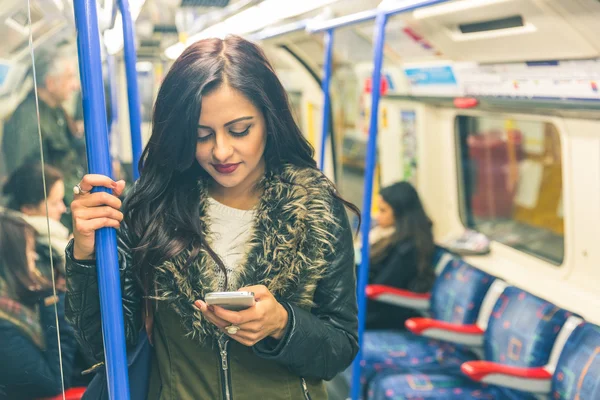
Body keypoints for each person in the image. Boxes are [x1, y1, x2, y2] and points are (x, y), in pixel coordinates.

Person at [65, 36, 359, 399]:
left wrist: (282, 324)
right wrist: (86, 253)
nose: (221, 151)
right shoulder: (153, 208)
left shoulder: (316, 209)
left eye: (240, 130)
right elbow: (105, 344)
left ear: (269, 119)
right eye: (201, 135)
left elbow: (340, 348)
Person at [1, 44, 86, 224]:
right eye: (69, 77)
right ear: (50, 83)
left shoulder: (55, 112)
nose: (75, 85)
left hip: (70, 199)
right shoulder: (28, 120)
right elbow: (28, 184)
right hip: (56, 213)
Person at [0, 212, 77, 399]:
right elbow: (54, 384)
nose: (34, 257)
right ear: (13, 259)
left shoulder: (17, 305)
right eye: (29, 249)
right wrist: (52, 303)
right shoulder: (5, 327)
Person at [365, 181, 438, 330]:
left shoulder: (408, 249)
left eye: (383, 211)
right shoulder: (395, 238)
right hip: (376, 305)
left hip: (386, 313)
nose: (378, 216)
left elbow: (383, 284)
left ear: (400, 212)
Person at [3, 163, 70, 281]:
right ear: (28, 208)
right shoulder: (27, 246)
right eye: (55, 203)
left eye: (62, 200)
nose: (63, 208)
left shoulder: (50, 239)